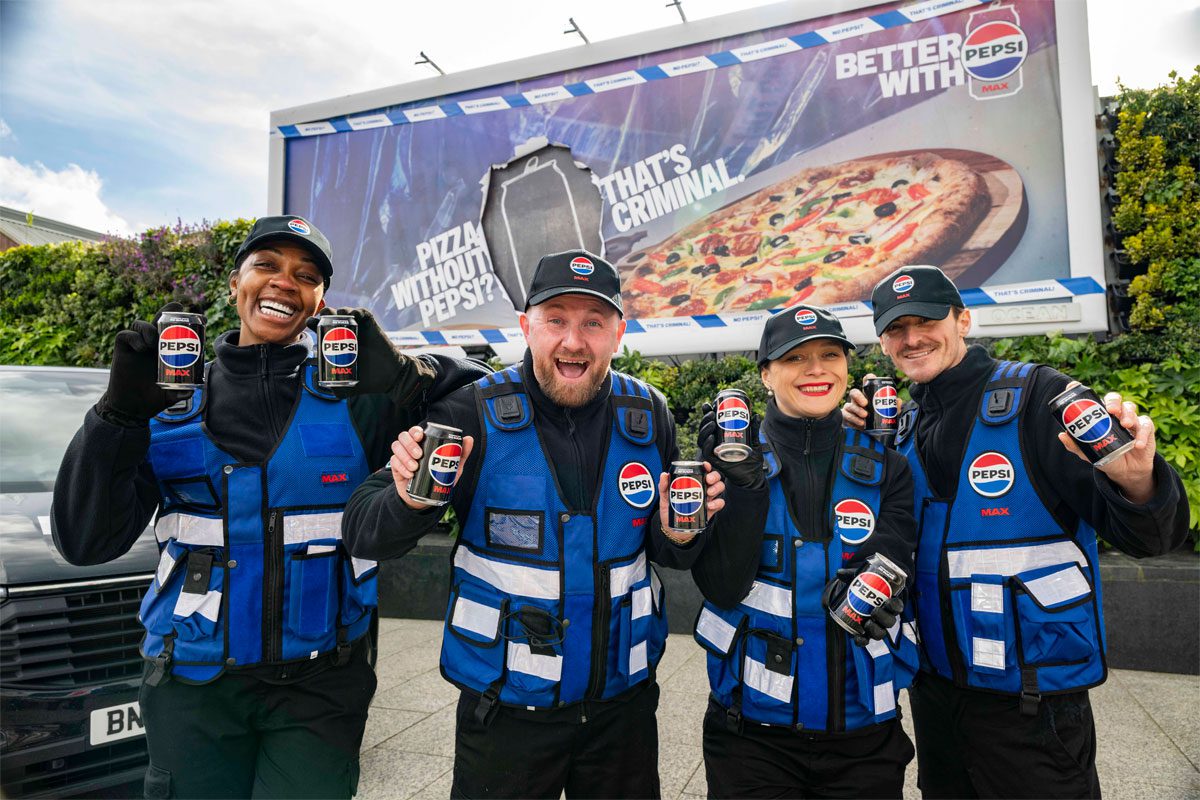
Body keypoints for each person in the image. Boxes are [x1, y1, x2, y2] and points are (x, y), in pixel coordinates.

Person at [51, 215, 488, 799]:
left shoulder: (356, 401)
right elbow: (85, 543)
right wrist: (116, 416)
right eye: (267, 266)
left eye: (305, 276)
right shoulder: (169, 402)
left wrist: (407, 375)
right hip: (191, 684)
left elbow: (488, 394)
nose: (285, 282)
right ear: (235, 284)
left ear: (319, 302)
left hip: (321, 683)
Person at [343, 249, 726, 799]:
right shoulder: (468, 412)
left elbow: (669, 555)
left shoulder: (650, 415)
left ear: (618, 334)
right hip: (505, 714)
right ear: (526, 327)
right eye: (556, 320)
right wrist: (407, 499)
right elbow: (362, 530)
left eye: (593, 323)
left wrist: (681, 532)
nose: (574, 341)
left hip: (623, 711)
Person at [843, 265, 1190, 798]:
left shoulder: (1038, 399)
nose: (912, 338)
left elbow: (1152, 538)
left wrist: (1139, 479)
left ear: (963, 320)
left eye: (927, 320)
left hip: (1035, 710)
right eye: (896, 328)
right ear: (884, 343)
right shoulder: (901, 429)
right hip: (936, 700)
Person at [691, 305, 919, 799]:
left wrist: (881, 588)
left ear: (846, 368)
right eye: (795, 358)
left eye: (829, 354)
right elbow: (723, 587)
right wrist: (745, 490)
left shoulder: (889, 467)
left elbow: (895, 558)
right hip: (751, 737)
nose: (816, 369)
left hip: (864, 735)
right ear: (767, 375)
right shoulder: (730, 459)